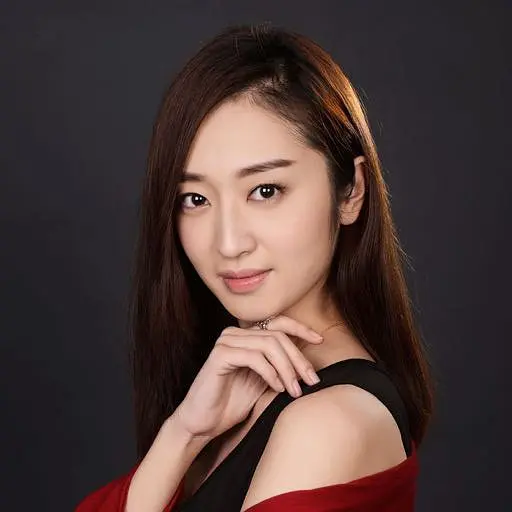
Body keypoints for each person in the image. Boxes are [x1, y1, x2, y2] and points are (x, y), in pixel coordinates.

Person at [76, 22, 433, 512]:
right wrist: (184, 433)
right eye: (195, 198)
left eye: (265, 191)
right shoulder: (225, 393)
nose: (228, 243)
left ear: (351, 191)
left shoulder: (330, 424)